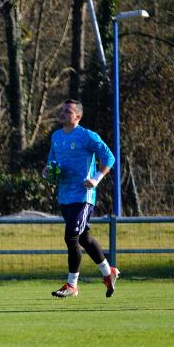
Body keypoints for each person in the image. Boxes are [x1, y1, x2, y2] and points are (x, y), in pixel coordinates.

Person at [44, 99, 119, 298]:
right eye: (62, 111)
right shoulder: (56, 137)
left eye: (67, 111)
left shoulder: (87, 136)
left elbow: (109, 157)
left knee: (71, 237)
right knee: (84, 238)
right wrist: (48, 171)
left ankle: (72, 285)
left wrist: (96, 178)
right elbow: (51, 162)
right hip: (64, 195)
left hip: (83, 195)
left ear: (78, 116)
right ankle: (108, 273)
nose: (63, 114)